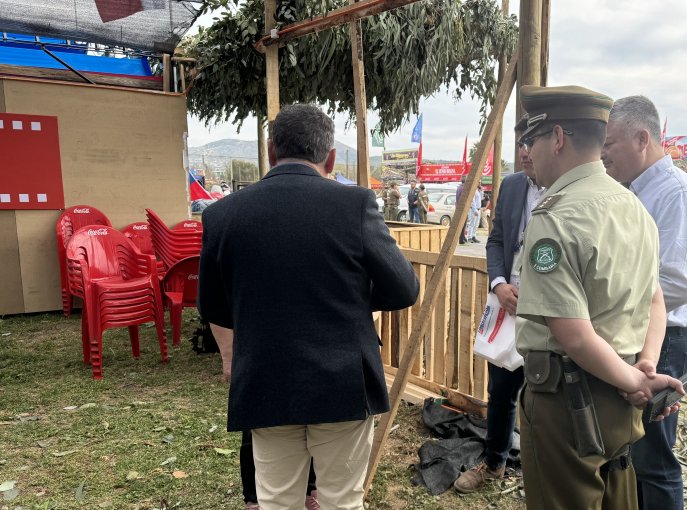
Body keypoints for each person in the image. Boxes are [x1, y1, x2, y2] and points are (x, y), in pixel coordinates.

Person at [198, 103, 419, 510]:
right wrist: (352, 299)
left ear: (270, 152)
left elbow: (213, 305)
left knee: (277, 500)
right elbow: (404, 289)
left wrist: (231, 359)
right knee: (341, 501)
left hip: (264, 379)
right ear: (330, 157)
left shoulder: (221, 215)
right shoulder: (355, 205)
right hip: (344, 383)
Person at [514, 84, 684, 509]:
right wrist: (644, 366)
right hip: (621, 399)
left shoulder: (557, 216)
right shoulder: (633, 208)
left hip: (567, 400)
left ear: (556, 138)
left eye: (531, 141)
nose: (527, 154)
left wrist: (636, 383)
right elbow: (655, 301)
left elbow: (572, 335)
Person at [603, 95, 687, 510]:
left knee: (653, 459)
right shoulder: (632, 193)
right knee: (630, 451)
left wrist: (609, 304)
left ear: (642, 138)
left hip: (665, 342)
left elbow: (678, 283)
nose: (603, 153)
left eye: (610, 143)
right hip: (642, 334)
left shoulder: (679, 196)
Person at [454, 115, 543, 493]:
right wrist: (500, 283)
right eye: (520, 143)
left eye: (531, 142)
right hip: (509, 309)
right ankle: (494, 462)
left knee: (545, 398)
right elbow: (495, 241)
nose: (524, 151)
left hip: (552, 315)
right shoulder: (511, 186)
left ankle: (546, 471)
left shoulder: (573, 192)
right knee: (501, 390)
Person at [457, 175, 468, 244]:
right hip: (463, 208)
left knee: (462, 224)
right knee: (463, 224)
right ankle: (461, 239)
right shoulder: (464, 188)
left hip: (458, 208)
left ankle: (462, 238)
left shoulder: (459, 187)